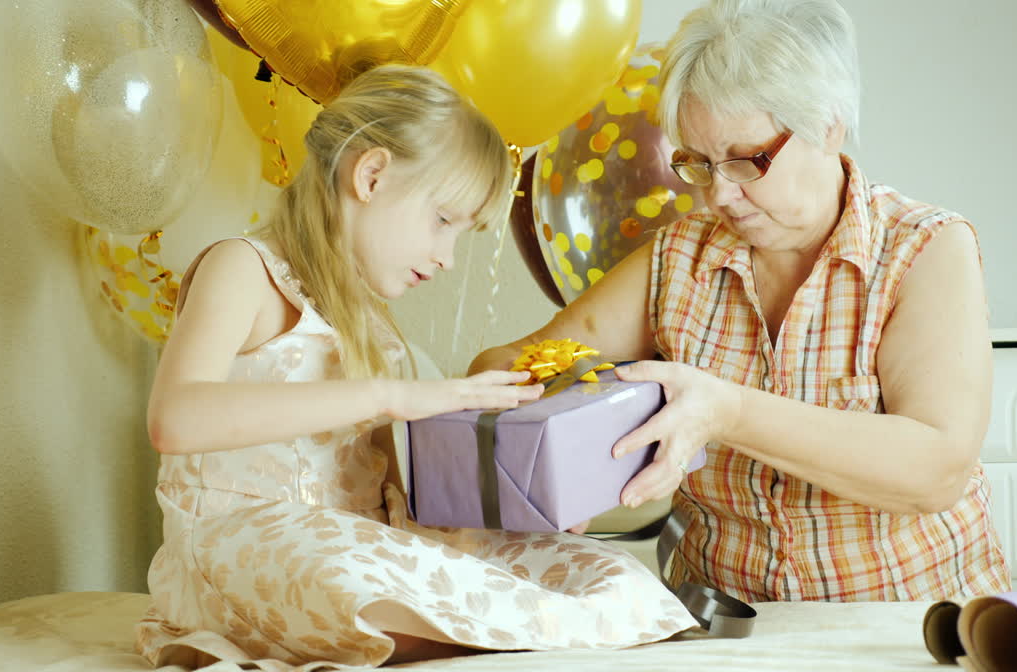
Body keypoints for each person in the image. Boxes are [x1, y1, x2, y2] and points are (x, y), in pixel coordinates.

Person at [135, 65, 696, 668]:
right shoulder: (242, 269)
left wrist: (528, 506)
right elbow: (175, 419)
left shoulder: (369, 322)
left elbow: (389, 487)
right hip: (241, 550)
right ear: (371, 176)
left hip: (359, 538)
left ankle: (519, 624)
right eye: (444, 220)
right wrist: (390, 396)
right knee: (343, 573)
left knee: (602, 572)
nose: (448, 257)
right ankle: (503, 630)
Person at [471, 0, 1010, 602]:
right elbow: (498, 369)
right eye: (698, 163)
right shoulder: (679, 257)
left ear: (828, 126)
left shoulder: (924, 248)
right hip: (730, 623)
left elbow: (936, 470)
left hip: (911, 620)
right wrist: (574, 452)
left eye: (747, 160)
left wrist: (724, 410)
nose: (718, 196)